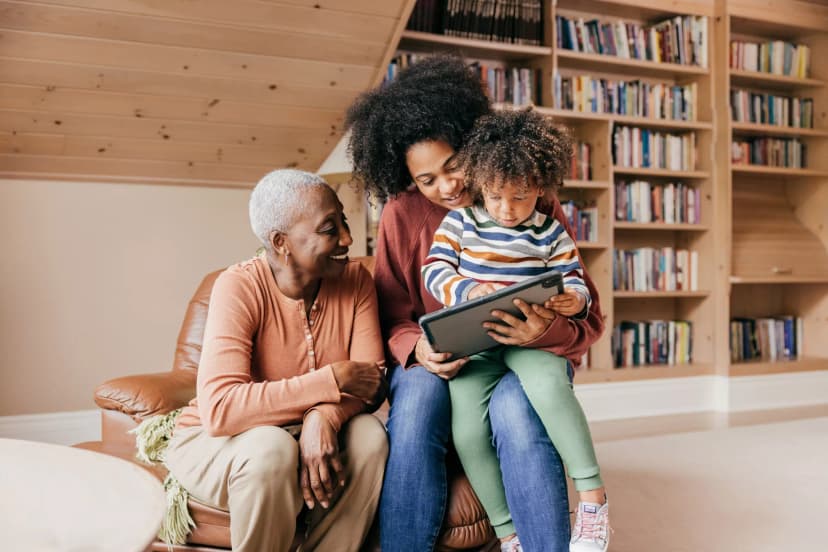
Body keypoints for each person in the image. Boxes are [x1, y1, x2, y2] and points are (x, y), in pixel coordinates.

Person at [345, 55, 605, 552]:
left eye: (454, 165)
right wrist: (417, 349)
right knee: (418, 404)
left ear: (472, 144)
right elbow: (393, 315)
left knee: (516, 411)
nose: (448, 186)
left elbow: (586, 313)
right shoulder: (401, 215)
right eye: (426, 180)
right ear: (407, 181)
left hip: (528, 351)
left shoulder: (521, 194)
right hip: (443, 355)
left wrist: (543, 332)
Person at [163, 169, 389, 552]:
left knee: (369, 436)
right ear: (281, 242)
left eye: (344, 222)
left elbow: (372, 381)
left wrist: (324, 416)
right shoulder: (238, 287)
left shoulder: (356, 281)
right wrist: (330, 381)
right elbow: (220, 410)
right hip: (218, 443)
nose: (348, 240)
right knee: (271, 449)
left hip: (307, 433)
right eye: (329, 229)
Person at [422, 109, 610, 552]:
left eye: (521, 198)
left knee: (550, 390)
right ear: (480, 184)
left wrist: (574, 299)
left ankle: (593, 500)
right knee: (467, 431)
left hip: (531, 340)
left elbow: (575, 280)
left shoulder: (550, 232)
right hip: (477, 343)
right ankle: (508, 534)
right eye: (495, 196)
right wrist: (466, 289)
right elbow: (435, 271)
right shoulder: (461, 222)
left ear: (540, 188)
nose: (507, 210)